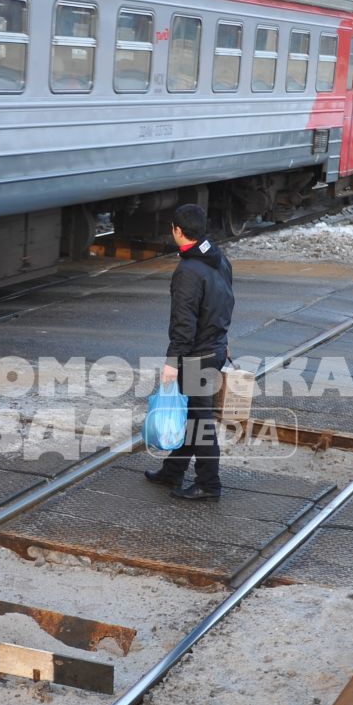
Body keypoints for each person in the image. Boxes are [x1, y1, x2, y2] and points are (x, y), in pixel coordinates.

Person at [147, 203, 234, 500]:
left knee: (200, 420)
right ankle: (173, 471)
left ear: (178, 231)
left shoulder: (187, 271)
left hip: (198, 355)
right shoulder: (218, 259)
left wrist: (173, 362)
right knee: (190, 414)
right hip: (214, 347)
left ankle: (209, 484)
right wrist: (223, 337)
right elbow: (225, 300)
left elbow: (184, 324)